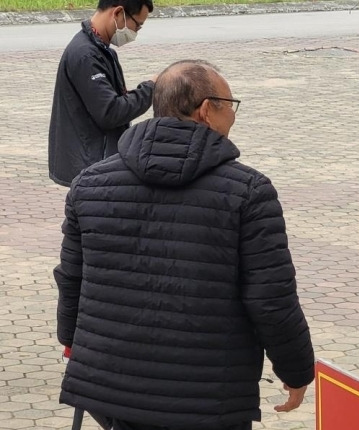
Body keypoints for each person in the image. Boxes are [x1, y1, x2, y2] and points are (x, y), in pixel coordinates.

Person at [54, 59, 315, 430]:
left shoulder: (89, 184)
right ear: (207, 110)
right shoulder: (249, 192)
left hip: (111, 390)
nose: (234, 119)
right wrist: (296, 369)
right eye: (231, 106)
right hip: (209, 399)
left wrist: (71, 340)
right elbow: (271, 298)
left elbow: (71, 278)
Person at [48, 0, 156, 187]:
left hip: (95, 163)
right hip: (91, 168)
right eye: (137, 25)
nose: (136, 32)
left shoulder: (101, 50)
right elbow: (110, 112)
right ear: (118, 13)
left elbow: (110, 100)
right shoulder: (86, 55)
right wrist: (151, 88)